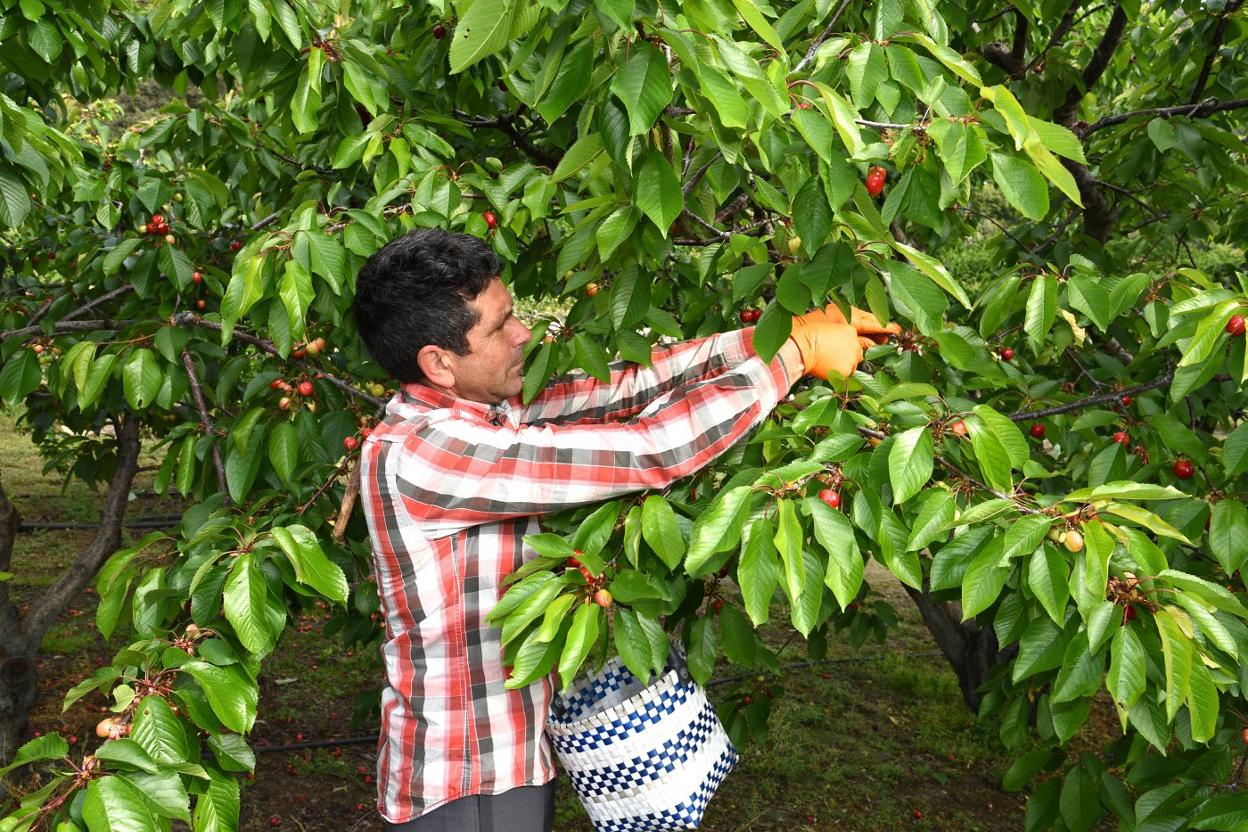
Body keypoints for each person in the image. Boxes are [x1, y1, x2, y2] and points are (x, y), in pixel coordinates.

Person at [351, 228, 897, 831]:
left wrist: (771, 339)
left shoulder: (484, 412)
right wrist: (794, 360)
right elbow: (650, 450)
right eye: (500, 325)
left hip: (512, 755)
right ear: (439, 363)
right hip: (466, 776)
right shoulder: (430, 452)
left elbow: (623, 386)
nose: (523, 333)